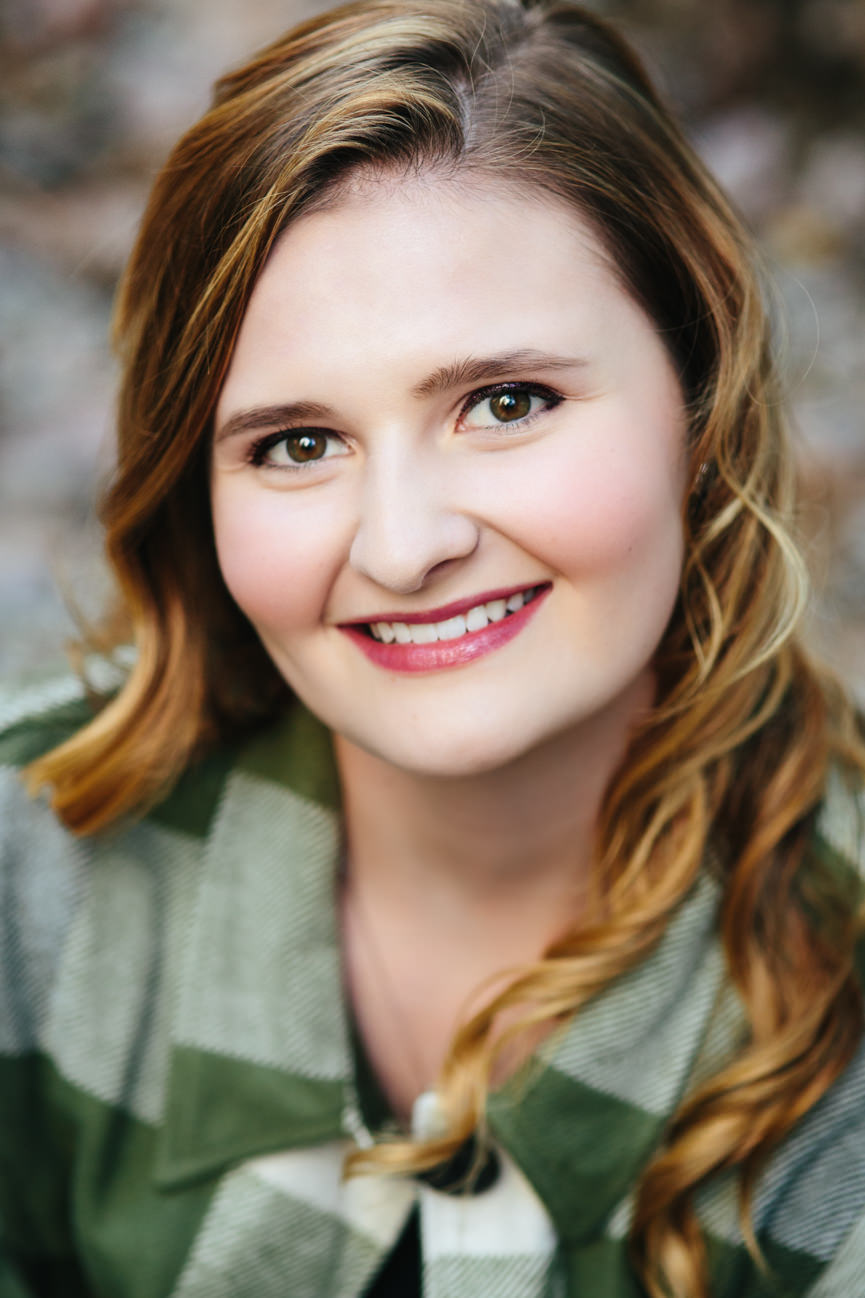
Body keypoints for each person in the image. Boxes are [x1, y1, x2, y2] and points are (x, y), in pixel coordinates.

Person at [2, 1, 864, 1294]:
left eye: (504, 403)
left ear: (698, 399)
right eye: (296, 442)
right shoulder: (33, 870)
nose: (402, 545)